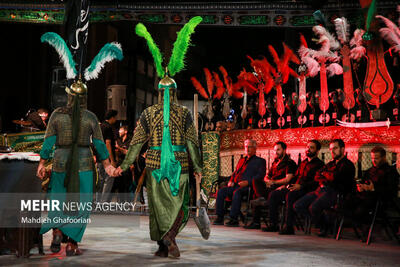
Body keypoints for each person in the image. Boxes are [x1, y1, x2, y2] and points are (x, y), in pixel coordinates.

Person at [114, 17, 203, 258]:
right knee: (179, 205)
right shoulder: (184, 113)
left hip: (154, 165)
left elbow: (135, 144)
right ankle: (169, 238)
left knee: (157, 206)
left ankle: (164, 243)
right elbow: (193, 143)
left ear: (159, 92)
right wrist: (198, 166)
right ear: (174, 92)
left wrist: (123, 166)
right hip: (180, 164)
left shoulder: (148, 113)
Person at [36, 80, 115, 256]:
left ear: (69, 97)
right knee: (83, 204)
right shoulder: (90, 117)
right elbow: (100, 144)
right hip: (84, 164)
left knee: (58, 200)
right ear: (84, 98)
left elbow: (48, 142)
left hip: (60, 162)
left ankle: (57, 231)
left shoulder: (57, 114)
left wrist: (41, 163)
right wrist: (107, 164)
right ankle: (72, 244)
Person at [251, 140, 324, 234]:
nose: (308, 149)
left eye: (311, 147)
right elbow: (295, 177)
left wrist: (301, 186)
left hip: (306, 190)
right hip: (293, 187)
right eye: (307, 147)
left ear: (317, 151)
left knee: (290, 195)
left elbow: (316, 182)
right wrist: (285, 186)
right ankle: (273, 224)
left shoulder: (320, 164)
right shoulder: (303, 163)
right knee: (274, 194)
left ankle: (289, 227)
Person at [294, 138, 356, 237]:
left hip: (336, 193)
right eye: (331, 149)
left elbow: (336, 178)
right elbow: (317, 175)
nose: (332, 151)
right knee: (298, 205)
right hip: (321, 190)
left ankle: (324, 226)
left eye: (335, 148)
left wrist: (326, 175)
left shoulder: (348, 165)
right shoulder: (330, 164)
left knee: (313, 207)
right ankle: (325, 223)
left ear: (343, 149)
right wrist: (326, 177)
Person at [344, 146, 399, 232]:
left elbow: (391, 190)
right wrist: (360, 187)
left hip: (379, 199)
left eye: (376, 158)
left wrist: (373, 188)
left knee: (362, 207)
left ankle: (363, 227)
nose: (374, 160)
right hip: (364, 196)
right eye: (372, 158)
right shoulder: (370, 171)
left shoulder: (390, 171)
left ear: (384, 157)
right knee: (347, 200)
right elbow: (362, 182)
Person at [213, 139, 266, 227]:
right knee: (221, 191)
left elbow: (260, 175)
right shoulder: (242, 160)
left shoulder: (260, 161)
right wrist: (231, 181)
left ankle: (234, 219)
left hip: (249, 187)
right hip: (237, 185)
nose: (247, 149)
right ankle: (220, 217)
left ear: (255, 148)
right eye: (246, 147)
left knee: (237, 193)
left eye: (249, 147)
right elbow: (235, 173)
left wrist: (248, 182)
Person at [247, 141, 297, 231]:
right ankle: (256, 221)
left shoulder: (290, 163)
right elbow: (267, 176)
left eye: (278, 150)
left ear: (284, 150)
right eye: (275, 150)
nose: (276, 152)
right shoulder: (275, 162)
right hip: (270, 186)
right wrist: (267, 181)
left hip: (279, 187)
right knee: (256, 182)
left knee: (263, 196)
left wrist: (274, 182)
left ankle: (271, 224)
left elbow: (288, 179)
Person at [98, 109, 118, 203]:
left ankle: (98, 202)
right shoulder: (109, 127)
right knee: (109, 180)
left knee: (101, 179)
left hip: (99, 157)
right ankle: (103, 202)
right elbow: (108, 143)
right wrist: (112, 160)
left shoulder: (99, 127)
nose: (116, 119)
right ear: (112, 117)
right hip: (107, 159)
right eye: (115, 117)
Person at [114, 125, 133, 203]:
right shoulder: (118, 140)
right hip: (119, 164)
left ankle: (127, 202)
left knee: (127, 184)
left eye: (120, 130)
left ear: (125, 131)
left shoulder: (130, 140)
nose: (119, 131)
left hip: (127, 164)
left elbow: (128, 152)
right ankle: (121, 203)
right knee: (119, 184)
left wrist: (119, 148)